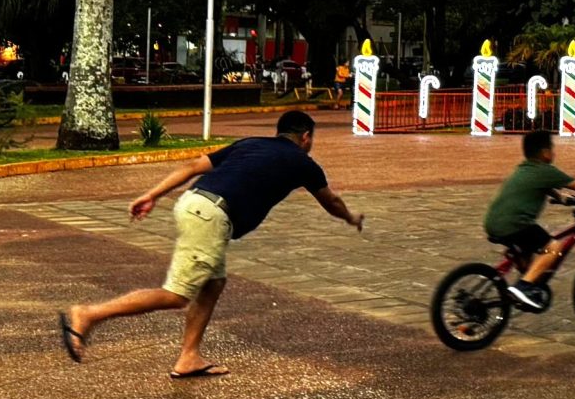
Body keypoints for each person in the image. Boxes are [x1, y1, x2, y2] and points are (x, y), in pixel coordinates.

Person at [58, 109, 363, 379]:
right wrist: (351, 218)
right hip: (212, 215)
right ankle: (88, 315)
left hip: (194, 203)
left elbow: (192, 166)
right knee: (176, 295)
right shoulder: (303, 162)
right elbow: (331, 201)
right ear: (306, 137)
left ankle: (188, 357)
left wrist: (153, 194)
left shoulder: (249, 145)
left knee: (213, 283)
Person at [485, 127, 575, 311]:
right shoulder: (545, 170)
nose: (554, 152)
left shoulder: (524, 169)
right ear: (544, 152)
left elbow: (547, 188)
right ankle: (524, 287)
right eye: (552, 148)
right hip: (515, 224)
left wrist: (564, 199)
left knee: (528, 258)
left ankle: (527, 288)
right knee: (554, 248)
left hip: (493, 222)